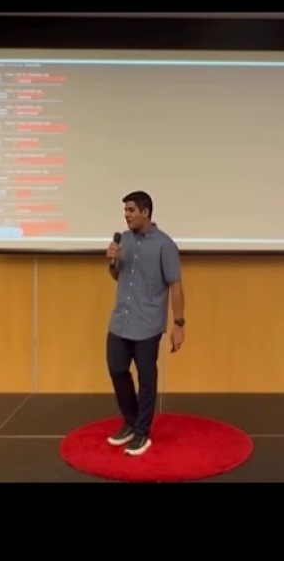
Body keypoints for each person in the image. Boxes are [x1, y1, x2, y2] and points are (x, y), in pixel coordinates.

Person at [104, 190, 185, 456]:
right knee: (117, 368)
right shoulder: (124, 240)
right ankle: (130, 421)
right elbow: (118, 275)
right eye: (125, 211)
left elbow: (175, 285)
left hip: (148, 323)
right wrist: (112, 261)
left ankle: (142, 432)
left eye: (131, 210)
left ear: (145, 212)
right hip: (121, 320)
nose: (126, 216)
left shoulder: (164, 245)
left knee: (146, 378)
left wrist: (179, 324)